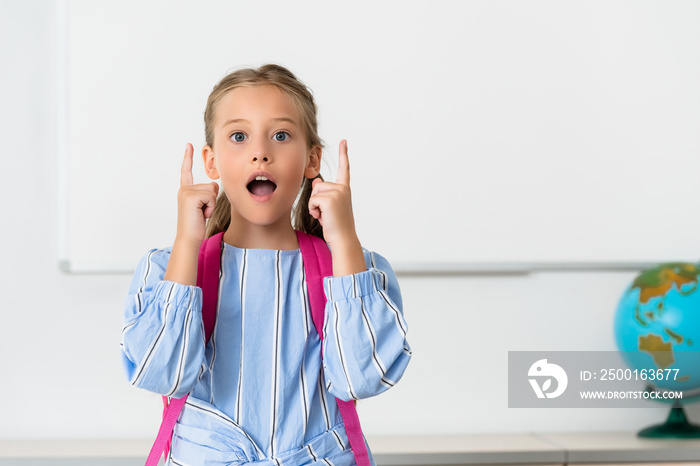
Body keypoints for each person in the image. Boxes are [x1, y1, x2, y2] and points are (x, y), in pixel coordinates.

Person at [120, 64, 412, 466]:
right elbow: (162, 376)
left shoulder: (353, 271)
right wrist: (188, 242)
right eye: (239, 136)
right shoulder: (167, 269)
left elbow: (360, 379)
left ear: (312, 160)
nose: (261, 152)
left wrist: (344, 241)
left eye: (281, 135)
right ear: (212, 163)